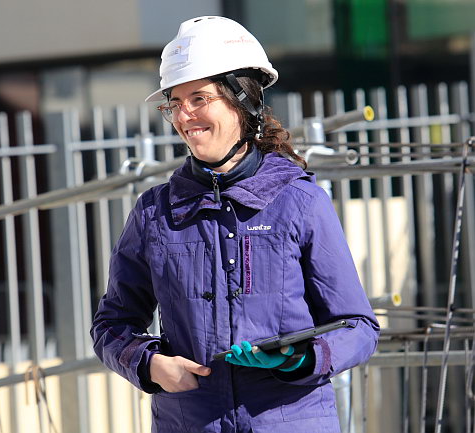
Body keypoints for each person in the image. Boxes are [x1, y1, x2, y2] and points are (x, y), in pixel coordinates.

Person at [91, 15, 379, 433]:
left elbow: (359, 327)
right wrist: (151, 364)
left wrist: (301, 358)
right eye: (174, 102)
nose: (184, 115)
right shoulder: (154, 212)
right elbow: (112, 325)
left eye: (199, 98)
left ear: (242, 100)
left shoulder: (300, 201)